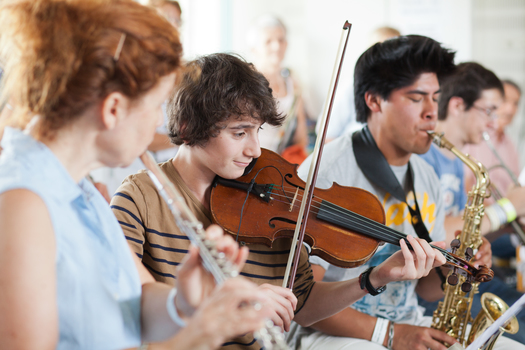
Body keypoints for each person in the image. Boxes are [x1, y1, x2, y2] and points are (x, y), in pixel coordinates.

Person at [111, 52, 447, 350]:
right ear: (187, 127)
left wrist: (374, 278)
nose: (255, 149)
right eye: (239, 133)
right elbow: (121, 313)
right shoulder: (139, 198)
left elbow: (303, 305)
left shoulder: (273, 197)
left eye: (258, 131)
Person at [0, 1, 272, 349]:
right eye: (156, 104)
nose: (160, 123)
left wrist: (185, 301)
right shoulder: (23, 204)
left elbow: (137, 300)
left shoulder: (78, 189)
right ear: (113, 109)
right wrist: (196, 338)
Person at [293, 35, 523, 350]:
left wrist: (451, 269)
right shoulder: (328, 174)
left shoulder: (424, 176)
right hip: (332, 334)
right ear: (374, 101)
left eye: (436, 97)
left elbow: (422, 290)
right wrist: (389, 334)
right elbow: (304, 305)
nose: (433, 112)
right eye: (417, 99)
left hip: (406, 322)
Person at [419, 63, 525, 344]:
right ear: (456, 105)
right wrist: (507, 208)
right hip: (427, 291)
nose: (495, 120)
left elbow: (460, 231)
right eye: (488, 110)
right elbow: (434, 229)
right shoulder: (424, 155)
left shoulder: (456, 159)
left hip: (455, 278)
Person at [319, 26, 401, 141]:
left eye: (392, 50)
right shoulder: (350, 87)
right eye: (377, 50)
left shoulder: (406, 89)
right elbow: (326, 136)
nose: (385, 57)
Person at [247, 15, 309, 163]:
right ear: (254, 48)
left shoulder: (292, 82)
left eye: (281, 40)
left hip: (277, 164)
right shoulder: (247, 81)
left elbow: (301, 135)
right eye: (268, 41)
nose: (277, 46)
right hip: (249, 159)